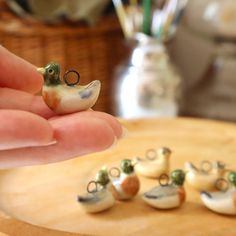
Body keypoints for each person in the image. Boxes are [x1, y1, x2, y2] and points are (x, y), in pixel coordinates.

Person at [0, 46, 123, 168]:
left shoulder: (58, 94)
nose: (43, 71)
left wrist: (91, 89)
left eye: (49, 71)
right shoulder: (51, 92)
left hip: (84, 94)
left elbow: (81, 96)